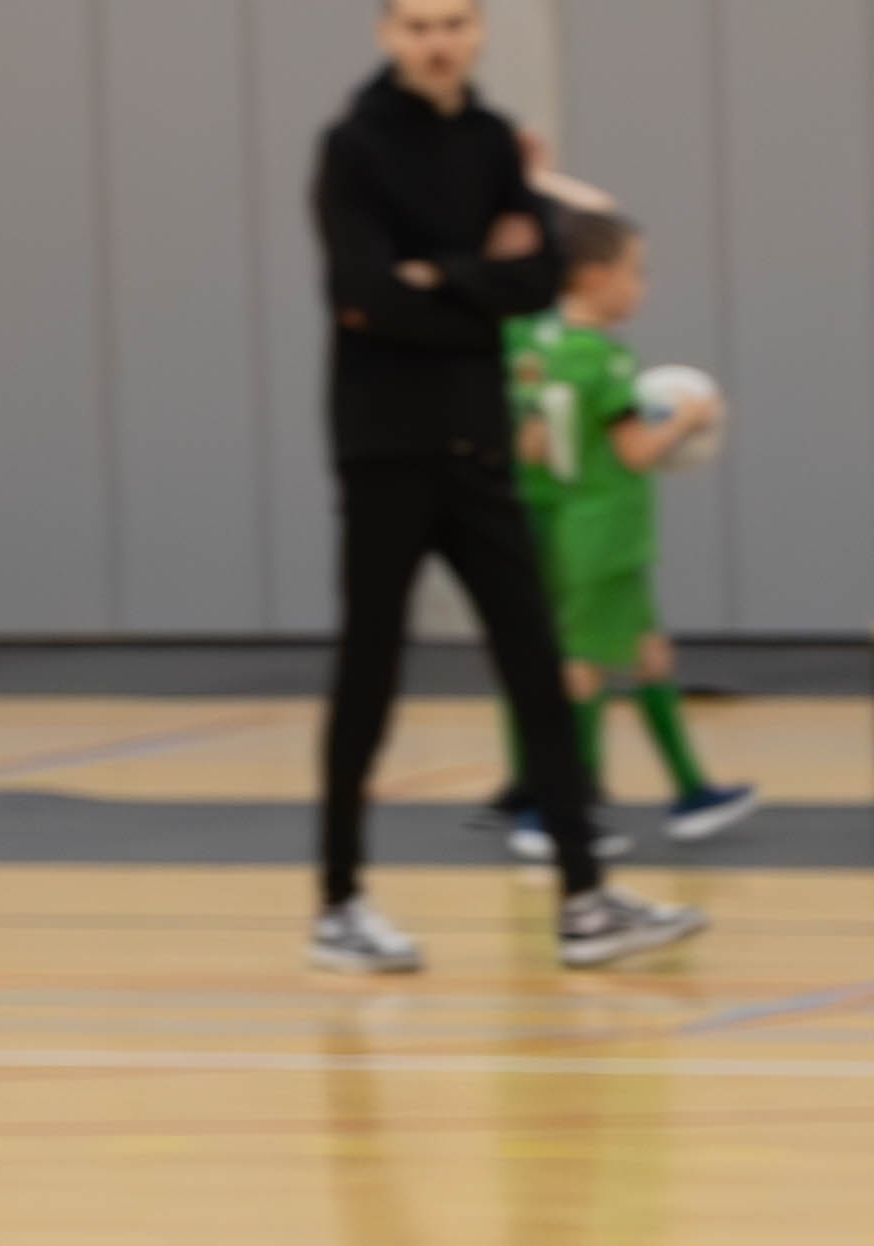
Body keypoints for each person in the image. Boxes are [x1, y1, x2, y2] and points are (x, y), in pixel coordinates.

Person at [307, 0, 699, 980]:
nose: (437, 41)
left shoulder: (489, 143)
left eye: (454, 22)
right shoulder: (353, 147)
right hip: (385, 448)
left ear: (478, 30)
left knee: (536, 662)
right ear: (387, 35)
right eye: (417, 25)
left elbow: (538, 282)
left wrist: (435, 278)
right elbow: (363, 296)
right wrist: (475, 277)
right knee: (369, 669)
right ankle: (340, 903)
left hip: (480, 449)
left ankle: (583, 899)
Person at [491, 211, 760, 857]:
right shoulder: (606, 359)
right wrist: (687, 420)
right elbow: (637, 451)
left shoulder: (540, 345)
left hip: (567, 522)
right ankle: (559, 814)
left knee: (647, 653)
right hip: (604, 530)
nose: (643, 286)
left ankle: (692, 793)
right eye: (635, 272)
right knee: (582, 666)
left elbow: (530, 445)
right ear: (593, 277)